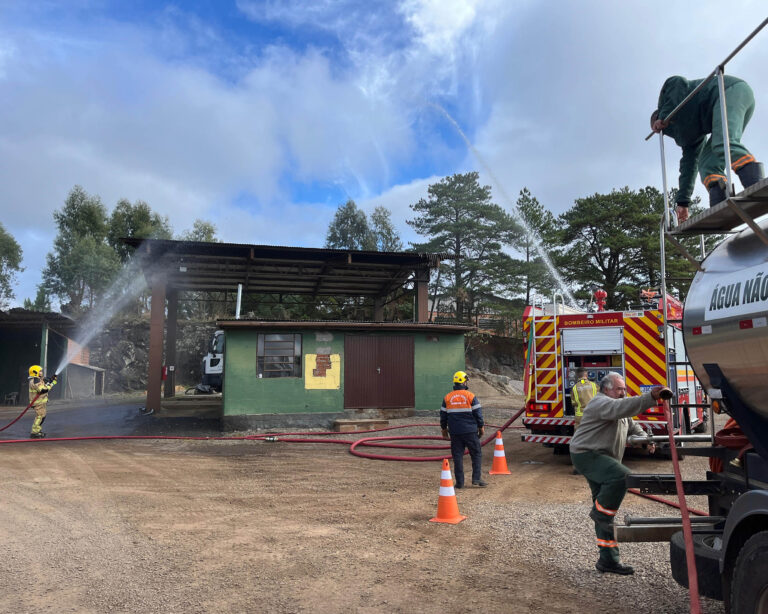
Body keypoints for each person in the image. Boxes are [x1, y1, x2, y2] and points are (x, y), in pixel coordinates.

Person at [569, 372, 669, 575]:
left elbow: (634, 426)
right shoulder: (601, 403)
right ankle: (599, 514)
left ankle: (608, 560)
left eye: (624, 389)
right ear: (606, 389)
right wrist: (650, 397)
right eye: (618, 389)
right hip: (587, 455)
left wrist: (646, 440)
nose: (623, 392)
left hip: (602, 458)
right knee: (622, 477)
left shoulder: (617, 408)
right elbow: (621, 408)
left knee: (604, 510)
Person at [651, 74, 763, 223]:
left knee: (722, 142)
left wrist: (664, 115)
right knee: (706, 163)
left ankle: (755, 183)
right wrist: (683, 202)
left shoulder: (673, 98)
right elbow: (688, 168)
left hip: (729, 91)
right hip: (727, 101)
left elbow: (677, 81)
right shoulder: (689, 136)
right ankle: (720, 200)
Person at [440, 370, 487, 488]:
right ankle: (476, 478)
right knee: (476, 454)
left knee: (457, 456)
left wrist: (444, 430)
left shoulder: (447, 397)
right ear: (464, 382)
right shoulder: (470, 396)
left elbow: (443, 416)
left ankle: (459, 483)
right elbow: (478, 414)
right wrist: (481, 427)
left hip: (455, 432)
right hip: (470, 431)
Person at [27, 365, 56, 439]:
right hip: (38, 403)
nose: (41, 372)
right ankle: (34, 433)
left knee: (42, 416)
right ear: (35, 372)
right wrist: (52, 384)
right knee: (39, 417)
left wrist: (51, 380)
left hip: (41, 403)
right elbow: (43, 390)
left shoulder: (38, 379)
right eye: (40, 371)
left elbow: (44, 383)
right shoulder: (35, 380)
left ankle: (37, 431)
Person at [571, 368, 597, 432]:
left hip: (580, 416)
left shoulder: (574, 387)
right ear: (586, 375)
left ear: (577, 375)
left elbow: (573, 402)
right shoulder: (594, 385)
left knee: (579, 435)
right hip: (592, 414)